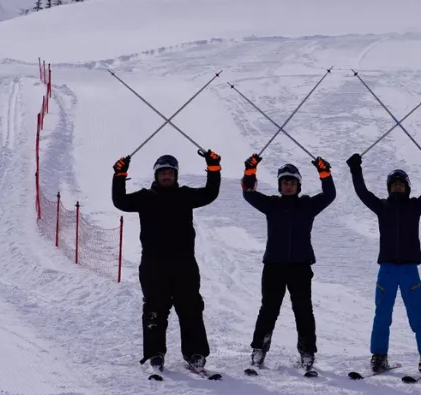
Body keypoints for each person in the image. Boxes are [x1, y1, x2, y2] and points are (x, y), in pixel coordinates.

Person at [111, 149, 222, 374]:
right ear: (156, 176)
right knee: (154, 309)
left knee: (190, 308)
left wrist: (213, 168)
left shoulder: (186, 196)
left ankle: (195, 353)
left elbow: (210, 193)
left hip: (184, 264)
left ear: (176, 175)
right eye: (162, 172)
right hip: (154, 264)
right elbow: (120, 201)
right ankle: (155, 353)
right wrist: (119, 175)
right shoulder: (145, 198)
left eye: (170, 172)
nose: (166, 176)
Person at [346, 152, 421, 374]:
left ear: (407, 188)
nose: (397, 187)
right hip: (387, 270)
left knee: (416, 313)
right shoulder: (382, 206)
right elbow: (362, 192)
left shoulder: (415, 206)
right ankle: (379, 357)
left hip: (409, 270)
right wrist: (355, 169)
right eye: (394, 184)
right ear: (389, 187)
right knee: (382, 314)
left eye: (401, 184)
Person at [241, 154, 336, 371]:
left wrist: (325, 172)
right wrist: (250, 171)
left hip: (301, 267)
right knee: (268, 310)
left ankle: (307, 353)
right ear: (279, 186)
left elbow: (330, 194)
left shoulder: (308, 205)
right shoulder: (271, 204)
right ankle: (259, 350)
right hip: (274, 266)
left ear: (298, 185)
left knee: (303, 310)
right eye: (284, 182)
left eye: (292, 182)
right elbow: (249, 193)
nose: (288, 185)